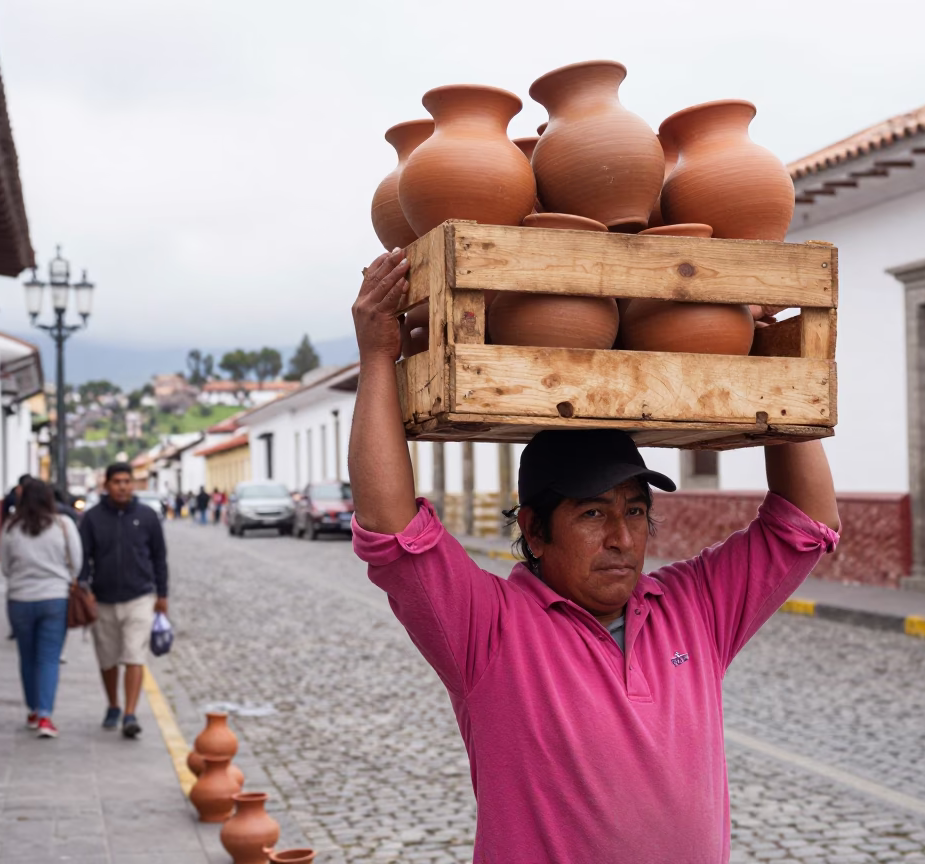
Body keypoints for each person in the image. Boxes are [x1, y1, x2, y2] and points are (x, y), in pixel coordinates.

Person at [349, 249, 841, 862]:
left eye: (634, 510)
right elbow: (391, 531)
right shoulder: (488, 629)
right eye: (592, 513)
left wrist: (774, 367)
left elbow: (806, 525)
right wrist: (376, 357)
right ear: (534, 530)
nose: (622, 537)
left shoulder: (694, 609)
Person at [78, 462, 169, 739]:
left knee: (134, 655)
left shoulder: (148, 516)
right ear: (106, 485)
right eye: (116, 481)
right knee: (107, 659)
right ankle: (113, 705)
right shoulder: (92, 518)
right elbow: (84, 557)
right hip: (103, 598)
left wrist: (162, 594)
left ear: (133, 485)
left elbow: (158, 557)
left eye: (126, 481)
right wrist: (85, 589)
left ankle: (130, 713)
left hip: (139, 596)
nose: (122, 486)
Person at [0, 478, 81, 739]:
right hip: (55, 598)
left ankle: (33, 710)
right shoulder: (63, 525)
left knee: (27, 656)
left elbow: (4, 567)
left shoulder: (11, 527)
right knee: (48, 658)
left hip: (20, 599)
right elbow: (76, 563)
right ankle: (45, 715)